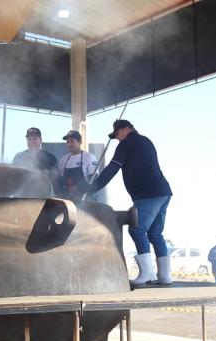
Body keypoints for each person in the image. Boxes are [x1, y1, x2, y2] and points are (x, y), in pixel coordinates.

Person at [90, 119, 173, 286]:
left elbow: (112, 168)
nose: (117, 138)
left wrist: (94, 187)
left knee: (137, 229)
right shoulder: (146, 141)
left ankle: (147, 273)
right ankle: (164, 276)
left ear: (127, 129)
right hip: (163, 192)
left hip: (148, 194)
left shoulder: (126, 144)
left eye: (117, 133)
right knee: (155, 234)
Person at [11, 127, 59, 198]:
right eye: (29, 139)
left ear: (40, 141)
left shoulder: (50, 157)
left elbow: (56, 182)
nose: (32, 142)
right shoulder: (19, 157)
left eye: (35, 139)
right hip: (21, 199)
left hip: (43, 199)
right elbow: (12, 179)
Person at [57, 130, 99, 201]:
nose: (69, 144)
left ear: (80, 142)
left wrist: (91, 201)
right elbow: (60, 184)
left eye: (72, 141)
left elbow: (95, 183)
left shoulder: (89, 157)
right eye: (68, 142)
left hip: (84, 202)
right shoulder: (63, 160)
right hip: (67, 202)